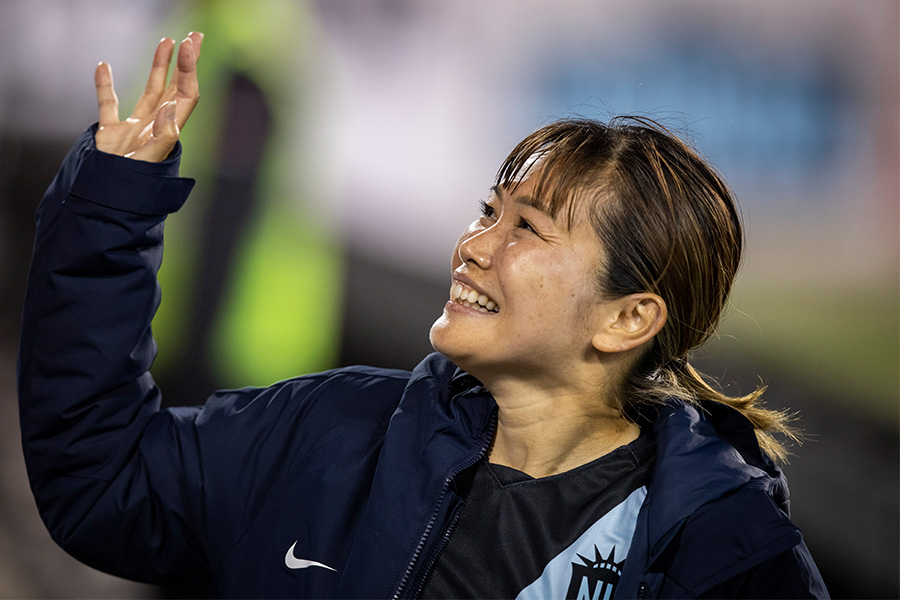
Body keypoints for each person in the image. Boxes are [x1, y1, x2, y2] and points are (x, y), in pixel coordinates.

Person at [18, 33, 828, 599]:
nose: (475, 244)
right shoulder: (328, 430)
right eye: (487, 210)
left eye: (526, 229)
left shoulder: (727, 549)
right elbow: (104, 483)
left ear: (626, 320)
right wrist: (112, 203)